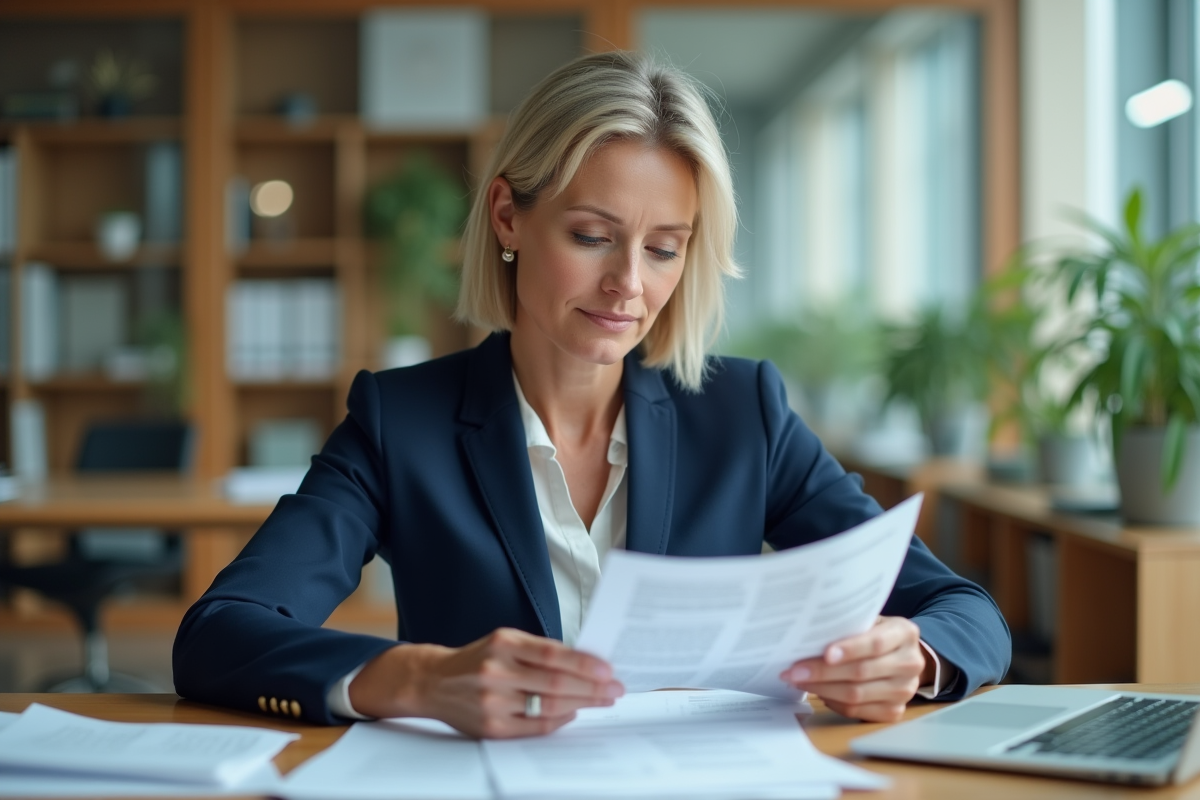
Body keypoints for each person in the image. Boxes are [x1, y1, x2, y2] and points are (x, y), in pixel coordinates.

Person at [174, 51, 1010, 739]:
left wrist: (914, 657)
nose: (629, 284)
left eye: (664, 249)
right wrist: (417, 679)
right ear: (508, 216)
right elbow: (218, 633)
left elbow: (962, 610)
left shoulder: (743, 413)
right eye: (591, 236)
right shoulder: (402, 423)